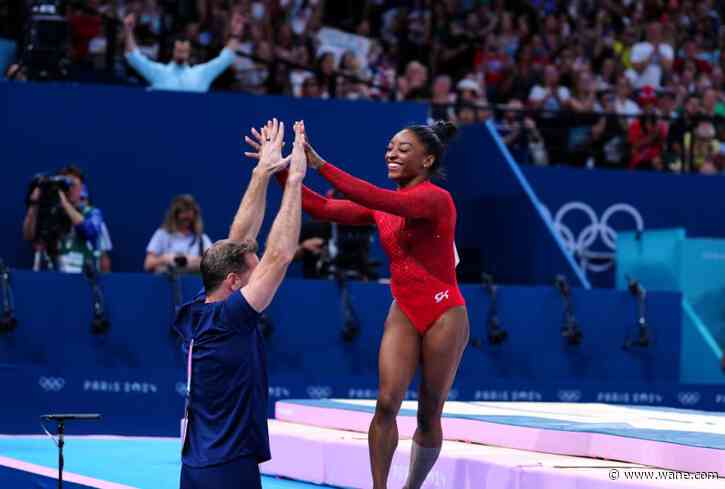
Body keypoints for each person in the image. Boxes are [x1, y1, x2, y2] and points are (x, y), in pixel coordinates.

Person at [245, 120, 470, 489]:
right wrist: (280, 170)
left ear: (427, 160)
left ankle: (411, 487)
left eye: (403, 148)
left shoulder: (436, 199)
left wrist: (319, 164)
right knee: (385, 403)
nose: (391, 153)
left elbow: (375, 196)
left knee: (429, 415)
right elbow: (322, 207)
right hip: (405, 308)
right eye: (389, 146)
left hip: (445, 311)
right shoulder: (385, 207)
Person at [174, 118, 306, 489]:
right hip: (226, 467)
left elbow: (239, 240)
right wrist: (294, 180)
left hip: (197, 464)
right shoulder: (231, 318)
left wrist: (262, 171)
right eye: (254, 269)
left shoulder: (203, 305)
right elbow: (280, 256)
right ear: (234, 283)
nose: (259, 263)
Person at [123, 12, 243, 92]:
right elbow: (134, 57)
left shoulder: (201, 74)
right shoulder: (158, 72)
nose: (181, 52)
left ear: (189, 52)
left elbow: (225, 58)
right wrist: (128, 31)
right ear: (173, 51)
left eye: (184, 50)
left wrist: (236, 34)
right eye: (179, 50)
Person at [23, 165, 109, 273]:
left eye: (73, 184)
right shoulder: (51, 214)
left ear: (82, 188)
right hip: (56, 279)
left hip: (84, 280)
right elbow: (29, 236)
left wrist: (65, 203)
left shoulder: (92, 213)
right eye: (66, 185)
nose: (69, 189)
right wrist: (34, 204)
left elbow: (89, 230)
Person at [145, 194, 212, 274]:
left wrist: (195, 261)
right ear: (175, 216)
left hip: (194, 283)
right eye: (183, 215)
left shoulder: (202, 239)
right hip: (167, 283)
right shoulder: (162, 235)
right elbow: (148, 264)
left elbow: (213, 264)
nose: (186, 219)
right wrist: (166, 259)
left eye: (189, 216)